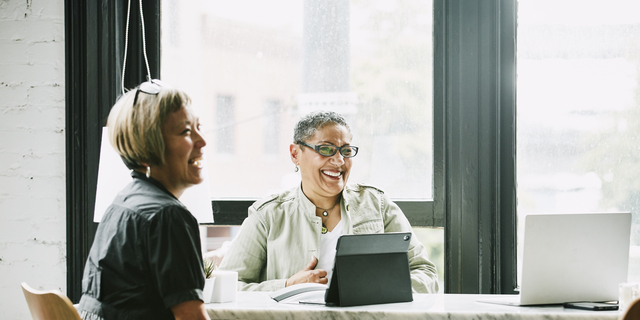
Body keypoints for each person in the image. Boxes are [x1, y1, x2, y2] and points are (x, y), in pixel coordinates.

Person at [218, 110, 439, 293]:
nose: (339, 161)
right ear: (295, 153)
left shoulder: (376, 204)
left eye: (346, 151)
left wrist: (378, 289)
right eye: (326, 149)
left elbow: (425, 274)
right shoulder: (267, 215)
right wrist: (286, 286)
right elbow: (230, 287)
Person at [77, 80, 211, 320]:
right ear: (149, 145)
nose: (202, 141)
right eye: (186, 131)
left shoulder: (122, 203)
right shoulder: (168, 216)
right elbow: (191, 317)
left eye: (199, 127)